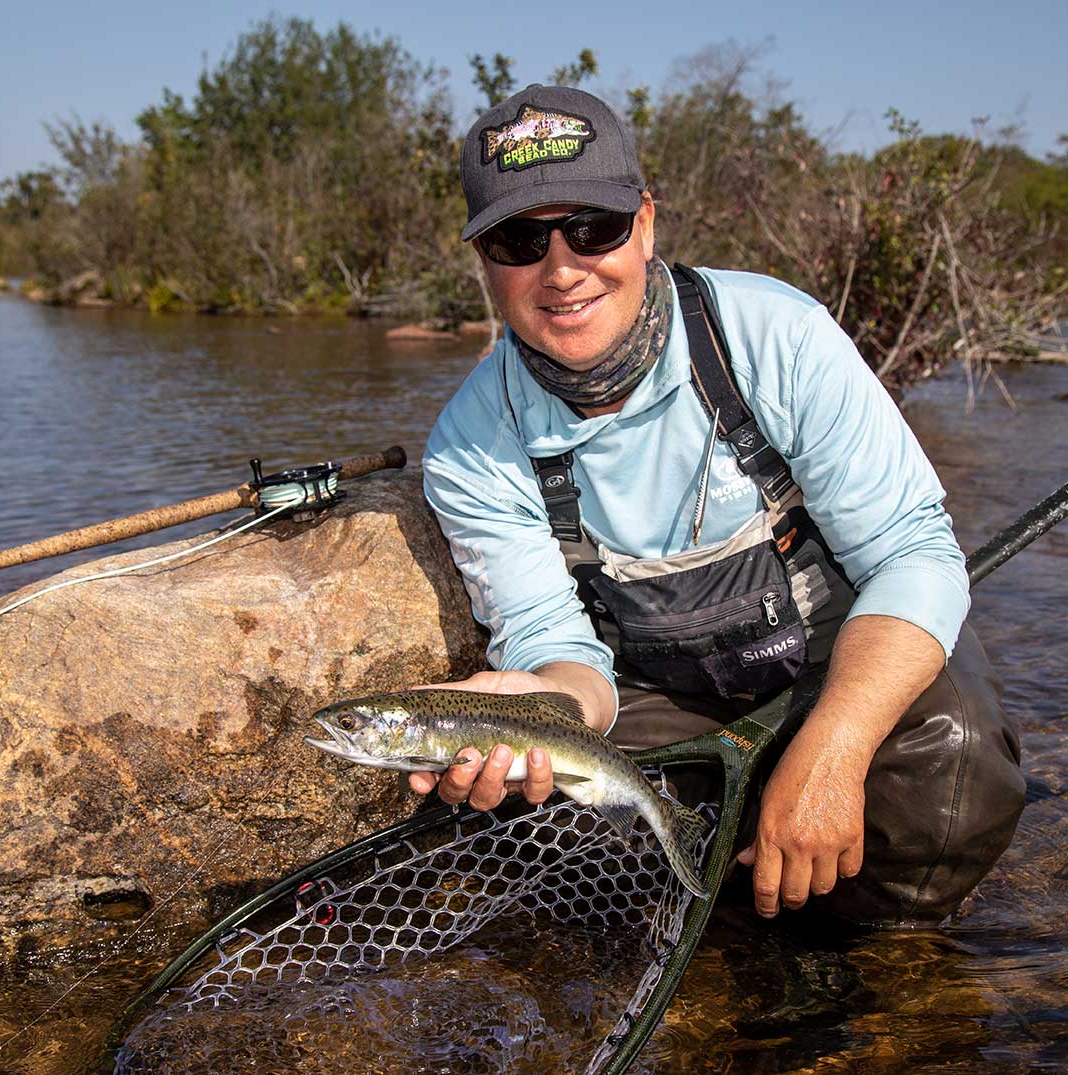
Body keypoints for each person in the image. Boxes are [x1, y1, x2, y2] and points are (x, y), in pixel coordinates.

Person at [409, 84, 1024, 927]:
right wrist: (538, 716)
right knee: (545, 818)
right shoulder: (470, 444)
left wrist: (833, 750)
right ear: (483, 259)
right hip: (656, 688)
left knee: (951, 778)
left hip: (831, 652)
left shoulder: (777, 335)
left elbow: (912, 555)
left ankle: (877, 955)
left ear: (646, 223)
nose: (560, 268)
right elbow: (558, 650)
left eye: (593, 226)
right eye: (520, 238)